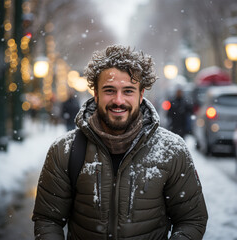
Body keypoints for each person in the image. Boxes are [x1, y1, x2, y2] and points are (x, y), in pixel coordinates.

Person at [32, 45, 208, 240]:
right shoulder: (64, 151)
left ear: (141, 96)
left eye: (128, 91)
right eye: (109, 90)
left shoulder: (173, 150)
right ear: (96, 94)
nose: (118, 100)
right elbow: (48, 220)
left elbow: (191, 219)